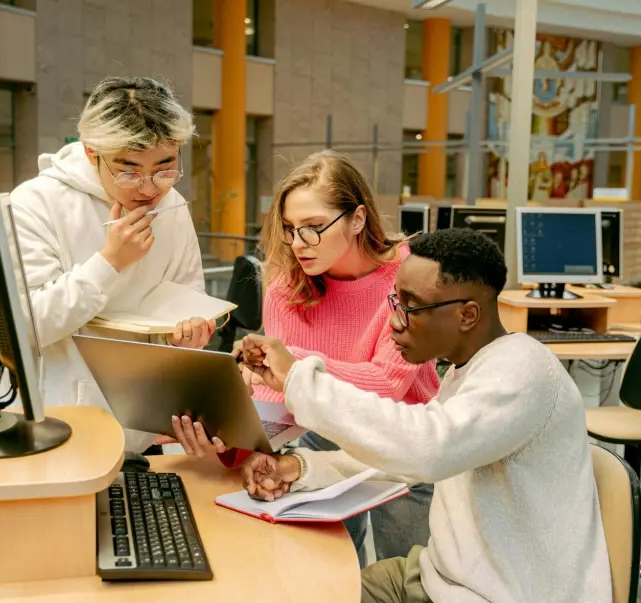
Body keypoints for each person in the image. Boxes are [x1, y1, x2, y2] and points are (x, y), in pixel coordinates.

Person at [237, 228, 612, 603]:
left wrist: (299, 379)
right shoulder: (465, 372)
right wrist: (302, 469)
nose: (394, 323)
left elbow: (428, 450)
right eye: (396, 302)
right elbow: (398, 463)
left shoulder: (522, 370)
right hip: (437, 580)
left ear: (467, 314)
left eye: (411, 308)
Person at [166, 150, 440, 567]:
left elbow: (387, 385)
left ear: (358, 219)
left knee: (409, 574)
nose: (297, 244)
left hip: (402, 437)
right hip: (317, 432)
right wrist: (246, 441)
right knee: (323, 575)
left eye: (313, 228)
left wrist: (292, 366)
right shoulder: (287, 285)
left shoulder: (409, 276)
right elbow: (280, 397)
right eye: (290, 229)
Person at [8, 76, 216, 455]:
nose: (150, 188)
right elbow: (26, 325)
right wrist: (110, 263)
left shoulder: (172, 206)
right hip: (54, 424)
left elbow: (189, 299)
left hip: (142, 424)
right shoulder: (35, 203)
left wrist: (190, 333)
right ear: (91, 153)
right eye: (129, 170)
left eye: (165, 168)